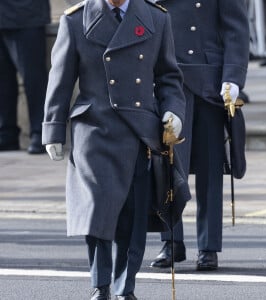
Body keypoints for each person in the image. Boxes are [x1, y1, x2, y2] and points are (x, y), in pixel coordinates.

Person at [42, 0, 187, 299]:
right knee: (97, 209)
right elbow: (60, 79)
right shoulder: (75, 20)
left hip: (138, 130)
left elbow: (169, 78)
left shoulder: (156, 19)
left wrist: (174, 112)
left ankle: (125, 286)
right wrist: (52, 129)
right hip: (93, 129)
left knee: (130, 214)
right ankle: (100, 284)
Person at [150, 0, 249, 270]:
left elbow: (236, 30)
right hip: (168, 80)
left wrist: (233, 77)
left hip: (209, 83)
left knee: (209, 170)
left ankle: (208, 246)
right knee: (167, 167)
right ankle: (171, 241)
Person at [0, 0, 50, 153]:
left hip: (26, 15)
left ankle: (41, 133)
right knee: (3, 82)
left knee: (33, 78)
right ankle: (6, 133)